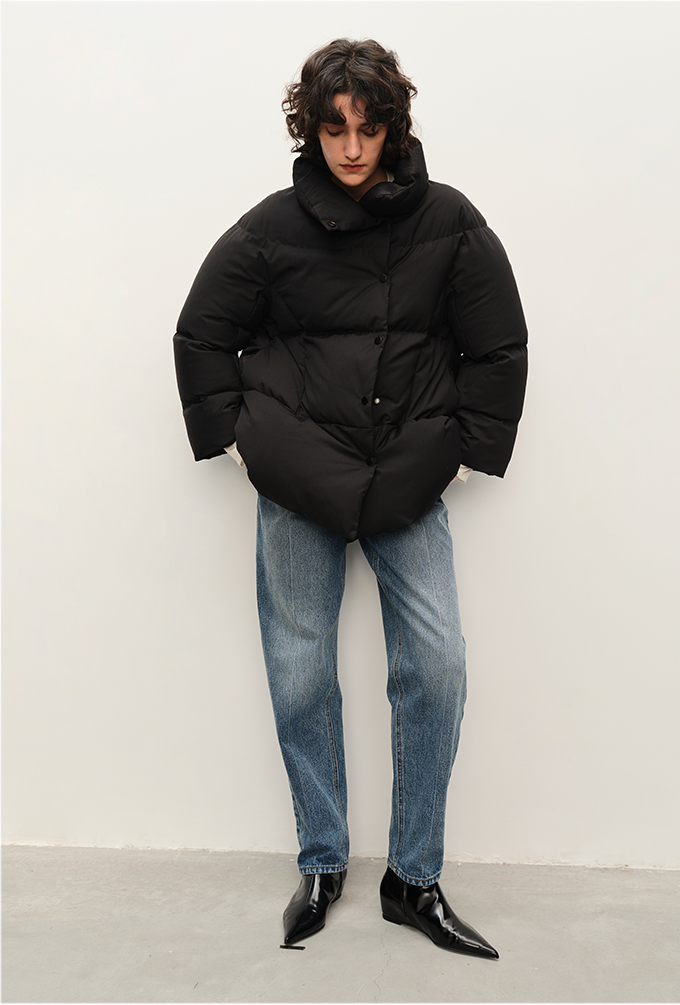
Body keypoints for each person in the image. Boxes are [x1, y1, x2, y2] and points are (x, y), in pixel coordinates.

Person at [173, 38, 527, 959]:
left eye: (368, 128)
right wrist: (245, 445)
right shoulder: (271, 227)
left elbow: (497, 345)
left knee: (437, 667)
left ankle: (414, 878)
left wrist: (461, 456)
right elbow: (201, 333)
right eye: (335, 130)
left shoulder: (450, 221)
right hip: (298, 476)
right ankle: (323, 860)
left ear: (393, 126)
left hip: (408, 473)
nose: (353, 149)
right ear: (312, 130)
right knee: (300, 673)